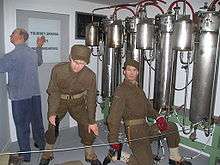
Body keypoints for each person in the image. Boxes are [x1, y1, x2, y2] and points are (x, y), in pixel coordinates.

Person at [106, 59, 192, 165]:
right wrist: (113, 139)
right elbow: (113, 117)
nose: (131, 73)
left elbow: (148, 108)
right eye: (129, 70)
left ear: (137, 72)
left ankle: (175, 158)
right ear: (124, 72)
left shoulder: (138, 89)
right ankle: (116, 154)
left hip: (146, 128)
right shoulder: (121, 90)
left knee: (171, 127)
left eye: (134, 70)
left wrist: (159, 117)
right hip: (134, 133)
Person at [39, 44, 101, 165]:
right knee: (52, 124)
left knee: (87, 124)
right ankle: (48, 151)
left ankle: (89, 153)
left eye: (82, 63)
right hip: (60, 101)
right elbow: (53, 92)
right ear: (70, 58)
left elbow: (91, 98)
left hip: (78, 103)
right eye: (75, 62)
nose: (78, 66)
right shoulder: (58, 70)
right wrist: (52, 113)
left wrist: (92, 121)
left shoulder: (90, 75)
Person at [0, 28, 46, 162]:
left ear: (20, 37)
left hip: (20, 97)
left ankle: (26, 155)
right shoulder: (32, 53)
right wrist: (39, 46)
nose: (10, 35)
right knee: (37, 122)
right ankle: (41, 145)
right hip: (35, 95)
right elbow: (39, 62)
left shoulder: (12, 56)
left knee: (22, 126)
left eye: (13, 33)